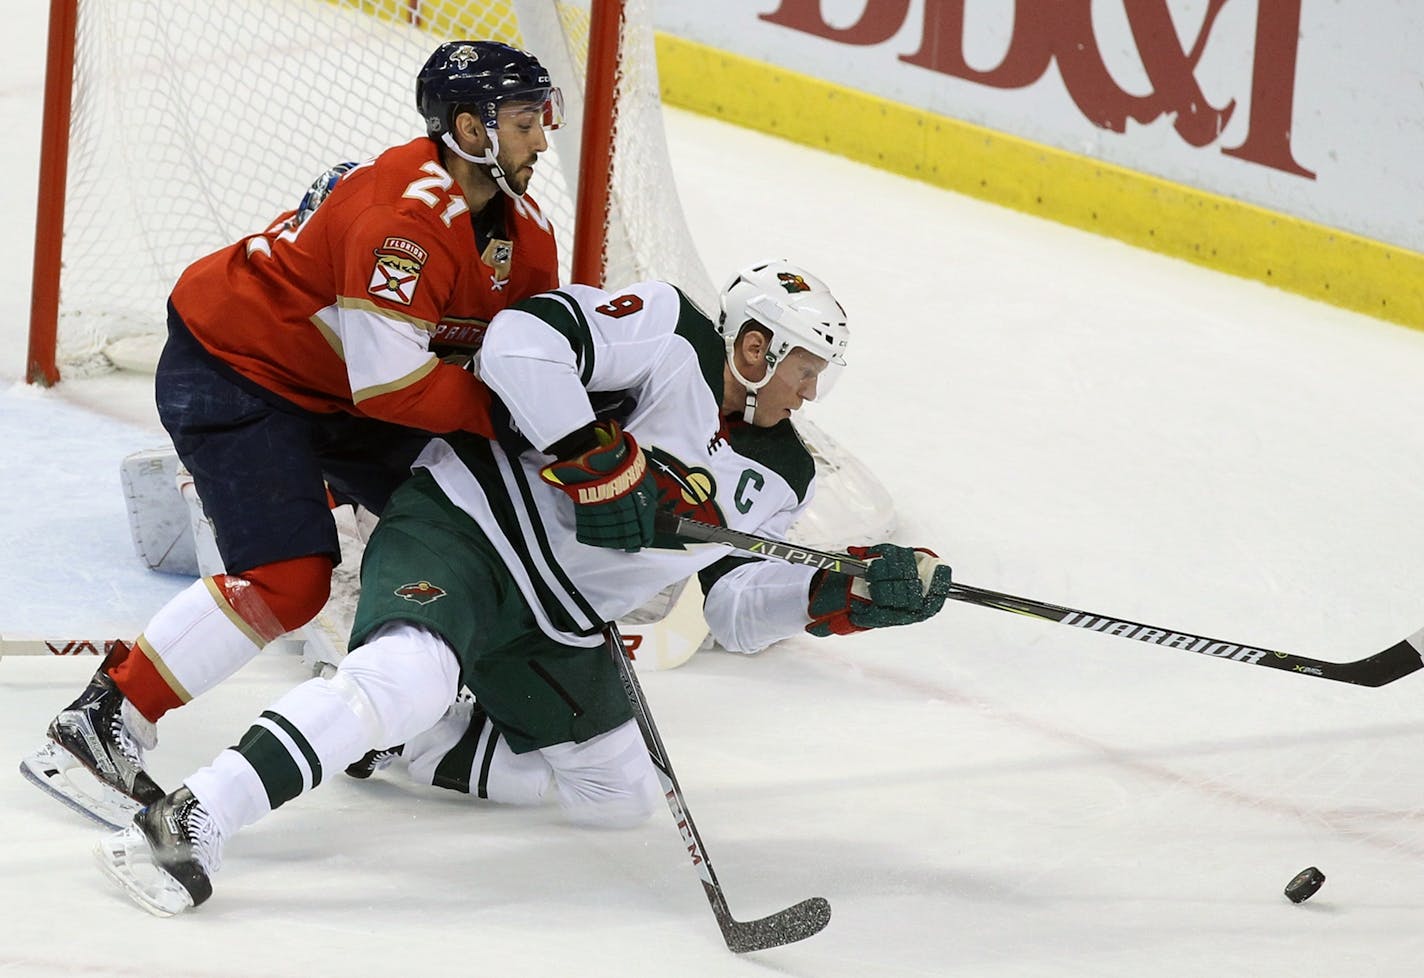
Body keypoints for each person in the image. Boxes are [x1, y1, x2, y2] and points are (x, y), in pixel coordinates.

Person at [91, 260, 955, 916]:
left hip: (561, 620)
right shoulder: (668, 329)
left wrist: (835, 597)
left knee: (616, 795)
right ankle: (188, 821)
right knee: (409, 676)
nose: (812, 392)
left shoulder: (784, 467)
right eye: (807, 368)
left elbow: (729, 600)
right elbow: (518, 342)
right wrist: (596, 455)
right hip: (472, 526)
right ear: (757, 347)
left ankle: (394, 743)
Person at [22, 40, 567, 828]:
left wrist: (579, 428)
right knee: (291, 577)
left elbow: (537, 346)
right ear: (469, 127)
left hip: (331, 390)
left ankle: (392, 702)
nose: (541, 140)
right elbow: (393, 386)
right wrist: (515, 419)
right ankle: (100, 724)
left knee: (474, 508)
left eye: (540, 120)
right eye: (523, 122)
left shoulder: (525, 230)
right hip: (237, 370)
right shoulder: (400, 222)